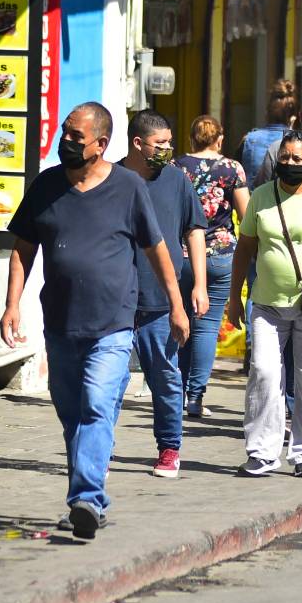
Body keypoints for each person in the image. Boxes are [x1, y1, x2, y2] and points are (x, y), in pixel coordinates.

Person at [2, 102, 189, 539]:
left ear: (101, 145)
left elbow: (157, 250)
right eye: (65, 133)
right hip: (61, 326)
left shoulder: (127, 188)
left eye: (75, 137)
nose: (65, 142)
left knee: (97, 406)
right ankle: (85, 498)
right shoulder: (46, 186)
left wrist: (177, 305)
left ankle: (87, 497)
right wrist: (12, 304)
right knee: (73, 416)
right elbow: (23, 248)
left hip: (114, 325)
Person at [227, 131, 302, 477]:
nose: (290, 164)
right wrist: (234, 298)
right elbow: (245, 249)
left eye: (298, 159)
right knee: (264, 374)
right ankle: (262, 453)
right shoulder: (262, 197)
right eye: (285, 157)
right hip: (267, 303)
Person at [121, 109, 208, 480]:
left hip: (162, 301)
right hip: (119, 300)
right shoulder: (112, 179)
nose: (168, 150)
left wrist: (200, 285)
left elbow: (194, 232)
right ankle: (97, 451)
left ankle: (170, 449)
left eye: (170, 142)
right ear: (138, 144)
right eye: (161, 144)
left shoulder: (177, 180)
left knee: (165, 377)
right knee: (109, 381)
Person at [175, 115, 250, 418]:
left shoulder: (176, 167)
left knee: (180, 324)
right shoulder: (232, 168)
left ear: (191, 139)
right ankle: (195, 396)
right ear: (219, 139)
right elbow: (247, 215)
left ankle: (176, 390)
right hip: (219, 255)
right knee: (206, 328)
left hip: (181, 255)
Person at [237, 79, 298, 186]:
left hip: (251, 201)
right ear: (293, 117)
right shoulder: (299, 144)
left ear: (267, 113)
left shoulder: (248, 139)